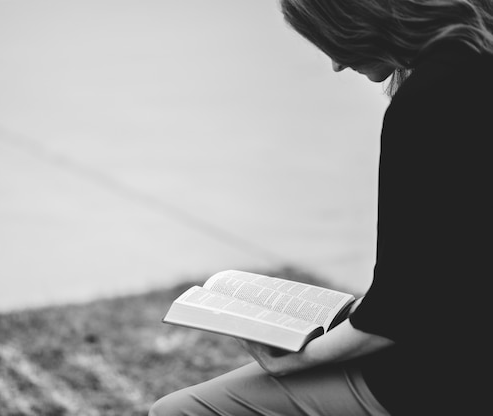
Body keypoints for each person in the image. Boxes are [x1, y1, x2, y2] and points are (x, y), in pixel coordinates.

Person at [149, 0, 493, 415]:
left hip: (453, 382)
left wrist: (298, 358)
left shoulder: (433, 99)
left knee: (181, 411)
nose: (336, 64)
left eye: (332, 38)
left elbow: (402, 313)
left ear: (362, 17)